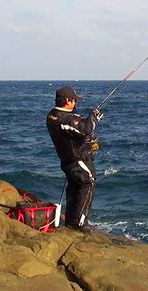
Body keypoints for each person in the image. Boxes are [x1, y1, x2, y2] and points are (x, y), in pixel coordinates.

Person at [46, 86, 104, 233]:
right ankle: (79, 223)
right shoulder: (65, 119)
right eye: (74, 101)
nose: (75, 103)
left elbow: (74, 129)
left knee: (74, 186)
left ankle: (72, 220)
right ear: (67, 101)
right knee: (88, 183)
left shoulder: (52, 115)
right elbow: (85, 129)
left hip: (66, 160)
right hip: (77, 160)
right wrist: (93, 117)